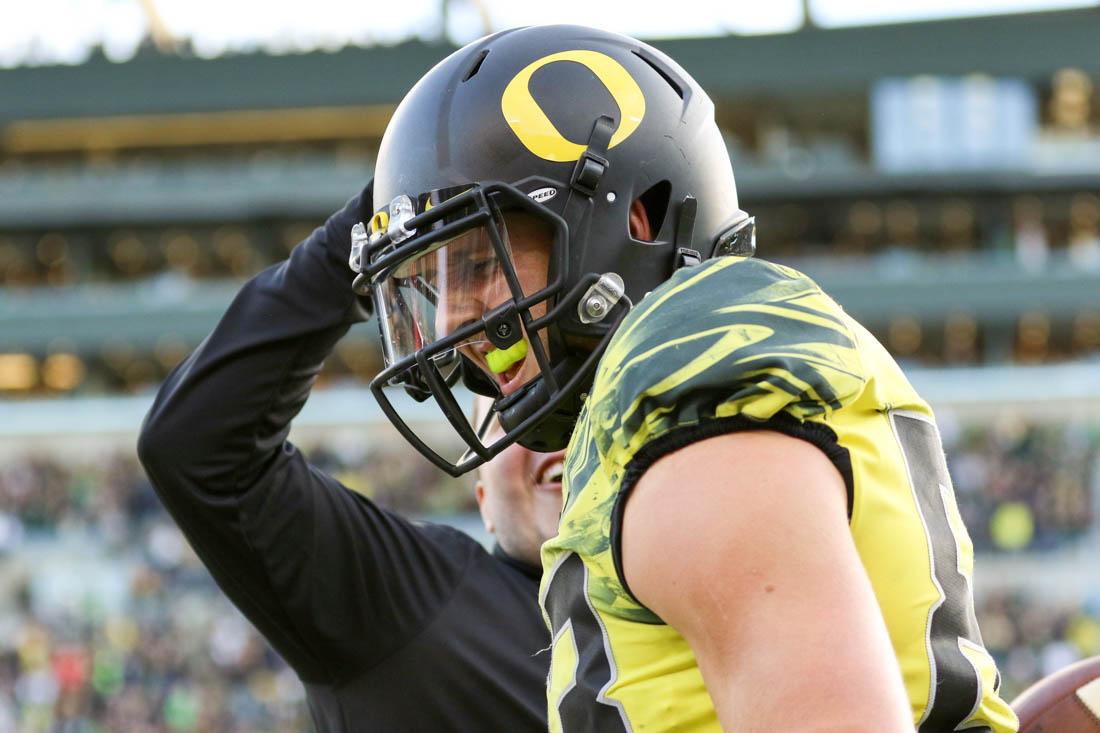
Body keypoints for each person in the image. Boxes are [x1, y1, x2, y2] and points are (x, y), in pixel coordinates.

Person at [355, 24, 1020, 731]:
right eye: (433, 286)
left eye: (480, 265)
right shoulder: (682, 376)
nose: (456, 323)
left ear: (632, 222)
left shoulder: (685, 368)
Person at [137, 183, 564, 731]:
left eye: (575, 410)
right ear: (482, 498)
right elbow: (200, 447)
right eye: (513, 414)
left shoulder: (682, 597)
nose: (551, 436)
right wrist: (382, 216)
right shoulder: (415, 601)